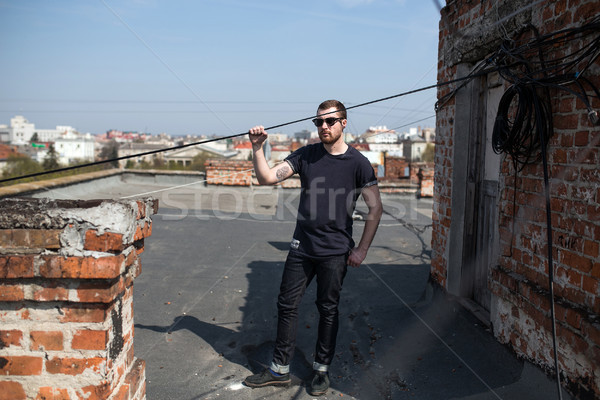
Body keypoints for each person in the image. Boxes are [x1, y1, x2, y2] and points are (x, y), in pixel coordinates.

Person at [243, 100, 383, 396]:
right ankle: (279, 370)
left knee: (328, 309)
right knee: (286, 304)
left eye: (330, 121)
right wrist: (257, 147)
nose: (323, 127)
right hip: (302, 247)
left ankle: (321, 369)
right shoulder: (306, 155)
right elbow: (268, 177)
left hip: (335, 252)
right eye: (318, 122)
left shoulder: (358, 163)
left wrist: (362, 250)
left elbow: (376, 208)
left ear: (344, 123)